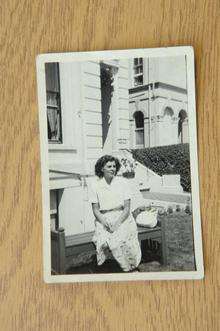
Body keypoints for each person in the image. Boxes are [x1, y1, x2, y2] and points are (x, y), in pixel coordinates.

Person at [89, 155, 141, 272]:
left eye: (114, 166)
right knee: (106, 241)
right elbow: (96, 210)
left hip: (123, 217)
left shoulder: (123, 183)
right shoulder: (95, 185)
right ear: (102, 168)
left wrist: (117, 224)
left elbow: (127, 208)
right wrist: (105, 223)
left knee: (122, 238)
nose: (113, 168)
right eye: (109, 166)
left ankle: (130, 266)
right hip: (104, 218)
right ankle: (120, 266)